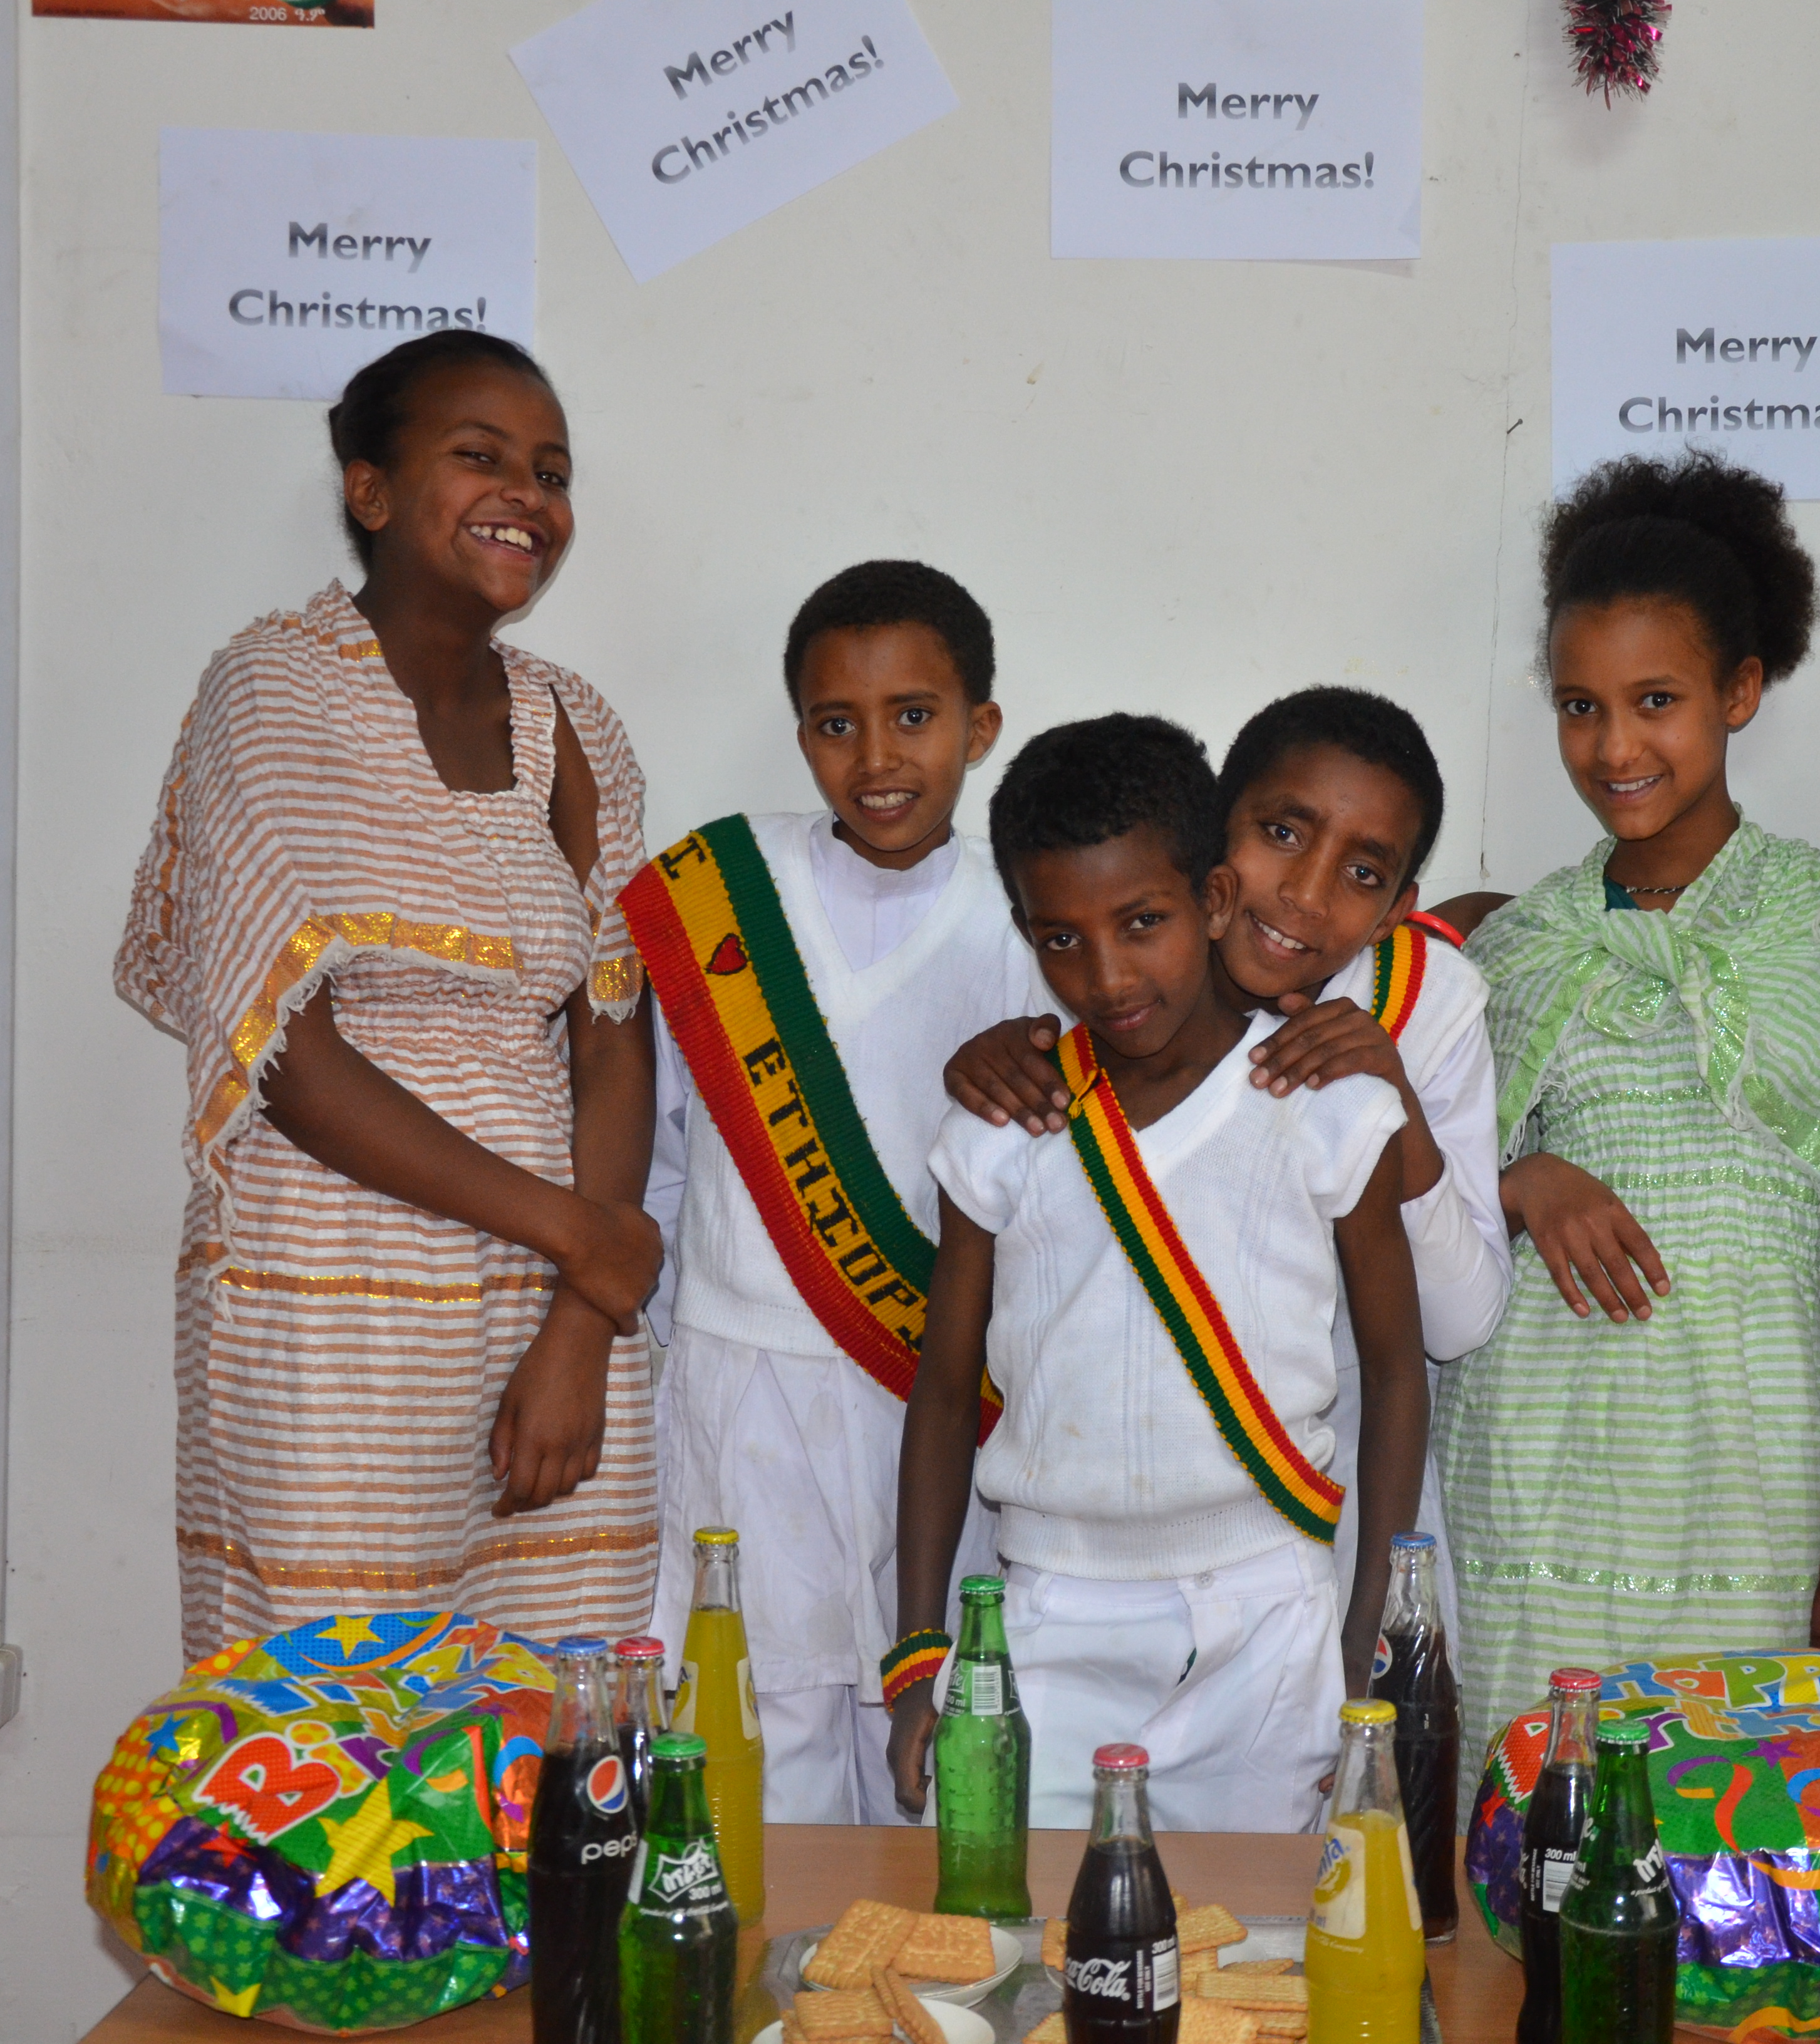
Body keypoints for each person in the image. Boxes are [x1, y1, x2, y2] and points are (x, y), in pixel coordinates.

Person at [115, 331, 662, 1661]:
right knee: (335, 1729)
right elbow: (283, 1056)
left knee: (557, 1721)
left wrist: (581, 1320)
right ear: (366, 489)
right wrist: (583, 1239)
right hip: (330, 1296)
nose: (527, 496)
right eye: (479, 456)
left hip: (545, 1305)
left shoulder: (575, 725)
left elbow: (612, 1031)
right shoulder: (273, 684)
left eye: (551, 470)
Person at [1419, 453, 1820, 1786]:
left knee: (1717, 1863)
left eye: (1656, 702)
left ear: (1740, 694)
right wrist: (1520, 1173)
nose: (1613, 748)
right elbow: (1408, 1170)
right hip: (1523, 1477)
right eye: (1581, 707)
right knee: (1526, 1853)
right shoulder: (1515, 946)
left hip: (1745, 1482)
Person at [887, 714, 1429, 1831]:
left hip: (1268, 1612)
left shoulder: (1330, 1108)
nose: (1107, 973)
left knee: (1271, 1968)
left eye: (1143, 923)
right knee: (1029, 1962)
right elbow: (943, 1391)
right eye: (1062, 940)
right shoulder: (1004, 1125)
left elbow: (1396, 1370)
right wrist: (917, 1657)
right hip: (1046, 1616)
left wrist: (1364, 1647)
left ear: (1218, 901)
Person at [939, 688, 1509, 1634]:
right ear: (1212, 834)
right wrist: (989, 1057)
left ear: (1395, 910)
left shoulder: (1426, 997)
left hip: (1307, 1514)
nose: (1306, 894)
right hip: (1080, 1533)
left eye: (1362, 874)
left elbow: (1458, 1323)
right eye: (1281, 833)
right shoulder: (1120, 947)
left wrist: (1395, 1103)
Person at [628, 560, 1042, 1824]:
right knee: (763, 1749)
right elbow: (665, 1159)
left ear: (980, 727)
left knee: (933, 1750)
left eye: (914, 716)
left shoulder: (1031, 924)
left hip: (935, 1405)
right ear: (798, 728)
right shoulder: (718, 892)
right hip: (740, 1398)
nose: (875, 757)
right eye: (834, 722)